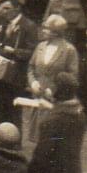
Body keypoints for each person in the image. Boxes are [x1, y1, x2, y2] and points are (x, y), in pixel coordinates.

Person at [0, 0, 38, 132]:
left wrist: (14, 52)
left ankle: (12, 139)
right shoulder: (2, 22)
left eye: (6, 8)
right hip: (0, 73)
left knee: (12, 109)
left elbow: (33, 52)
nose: (2, 11)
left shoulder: (28, 26)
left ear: (16, 9)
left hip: (16, 76)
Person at [26, 14, 79, 142]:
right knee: (36, 135)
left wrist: (55, 90)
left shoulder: (69, 50)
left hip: (55, 101)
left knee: (50, 137)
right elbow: (31, 67)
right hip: (38, 96)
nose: (43, 30)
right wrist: (33, 82)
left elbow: (72, 77)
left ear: (56, 32)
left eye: (47, 28)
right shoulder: (41, 46)